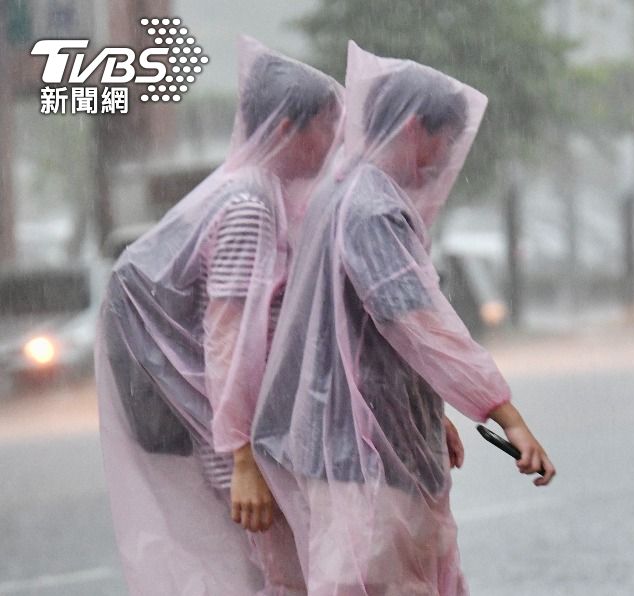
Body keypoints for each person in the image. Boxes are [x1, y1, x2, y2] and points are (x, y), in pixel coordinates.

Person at [252, 42, 555, 596]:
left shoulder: (341, 193)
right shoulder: (372, 208)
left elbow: (361, 333)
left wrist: (427, 410)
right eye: (445, 141)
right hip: (362, 457)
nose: (444, 159)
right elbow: (416, 322)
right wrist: (504, 413)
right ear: (416, 126)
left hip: (354, 445)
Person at [96, 37, 343, 595]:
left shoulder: (246, 193)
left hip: (249, 440)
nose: (335, 141)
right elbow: (229, 337)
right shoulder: (249, 207)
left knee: (281, 579)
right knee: (286, 580)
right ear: (286, 129)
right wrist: (243, 459)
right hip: (245, 446)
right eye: (327, 125)